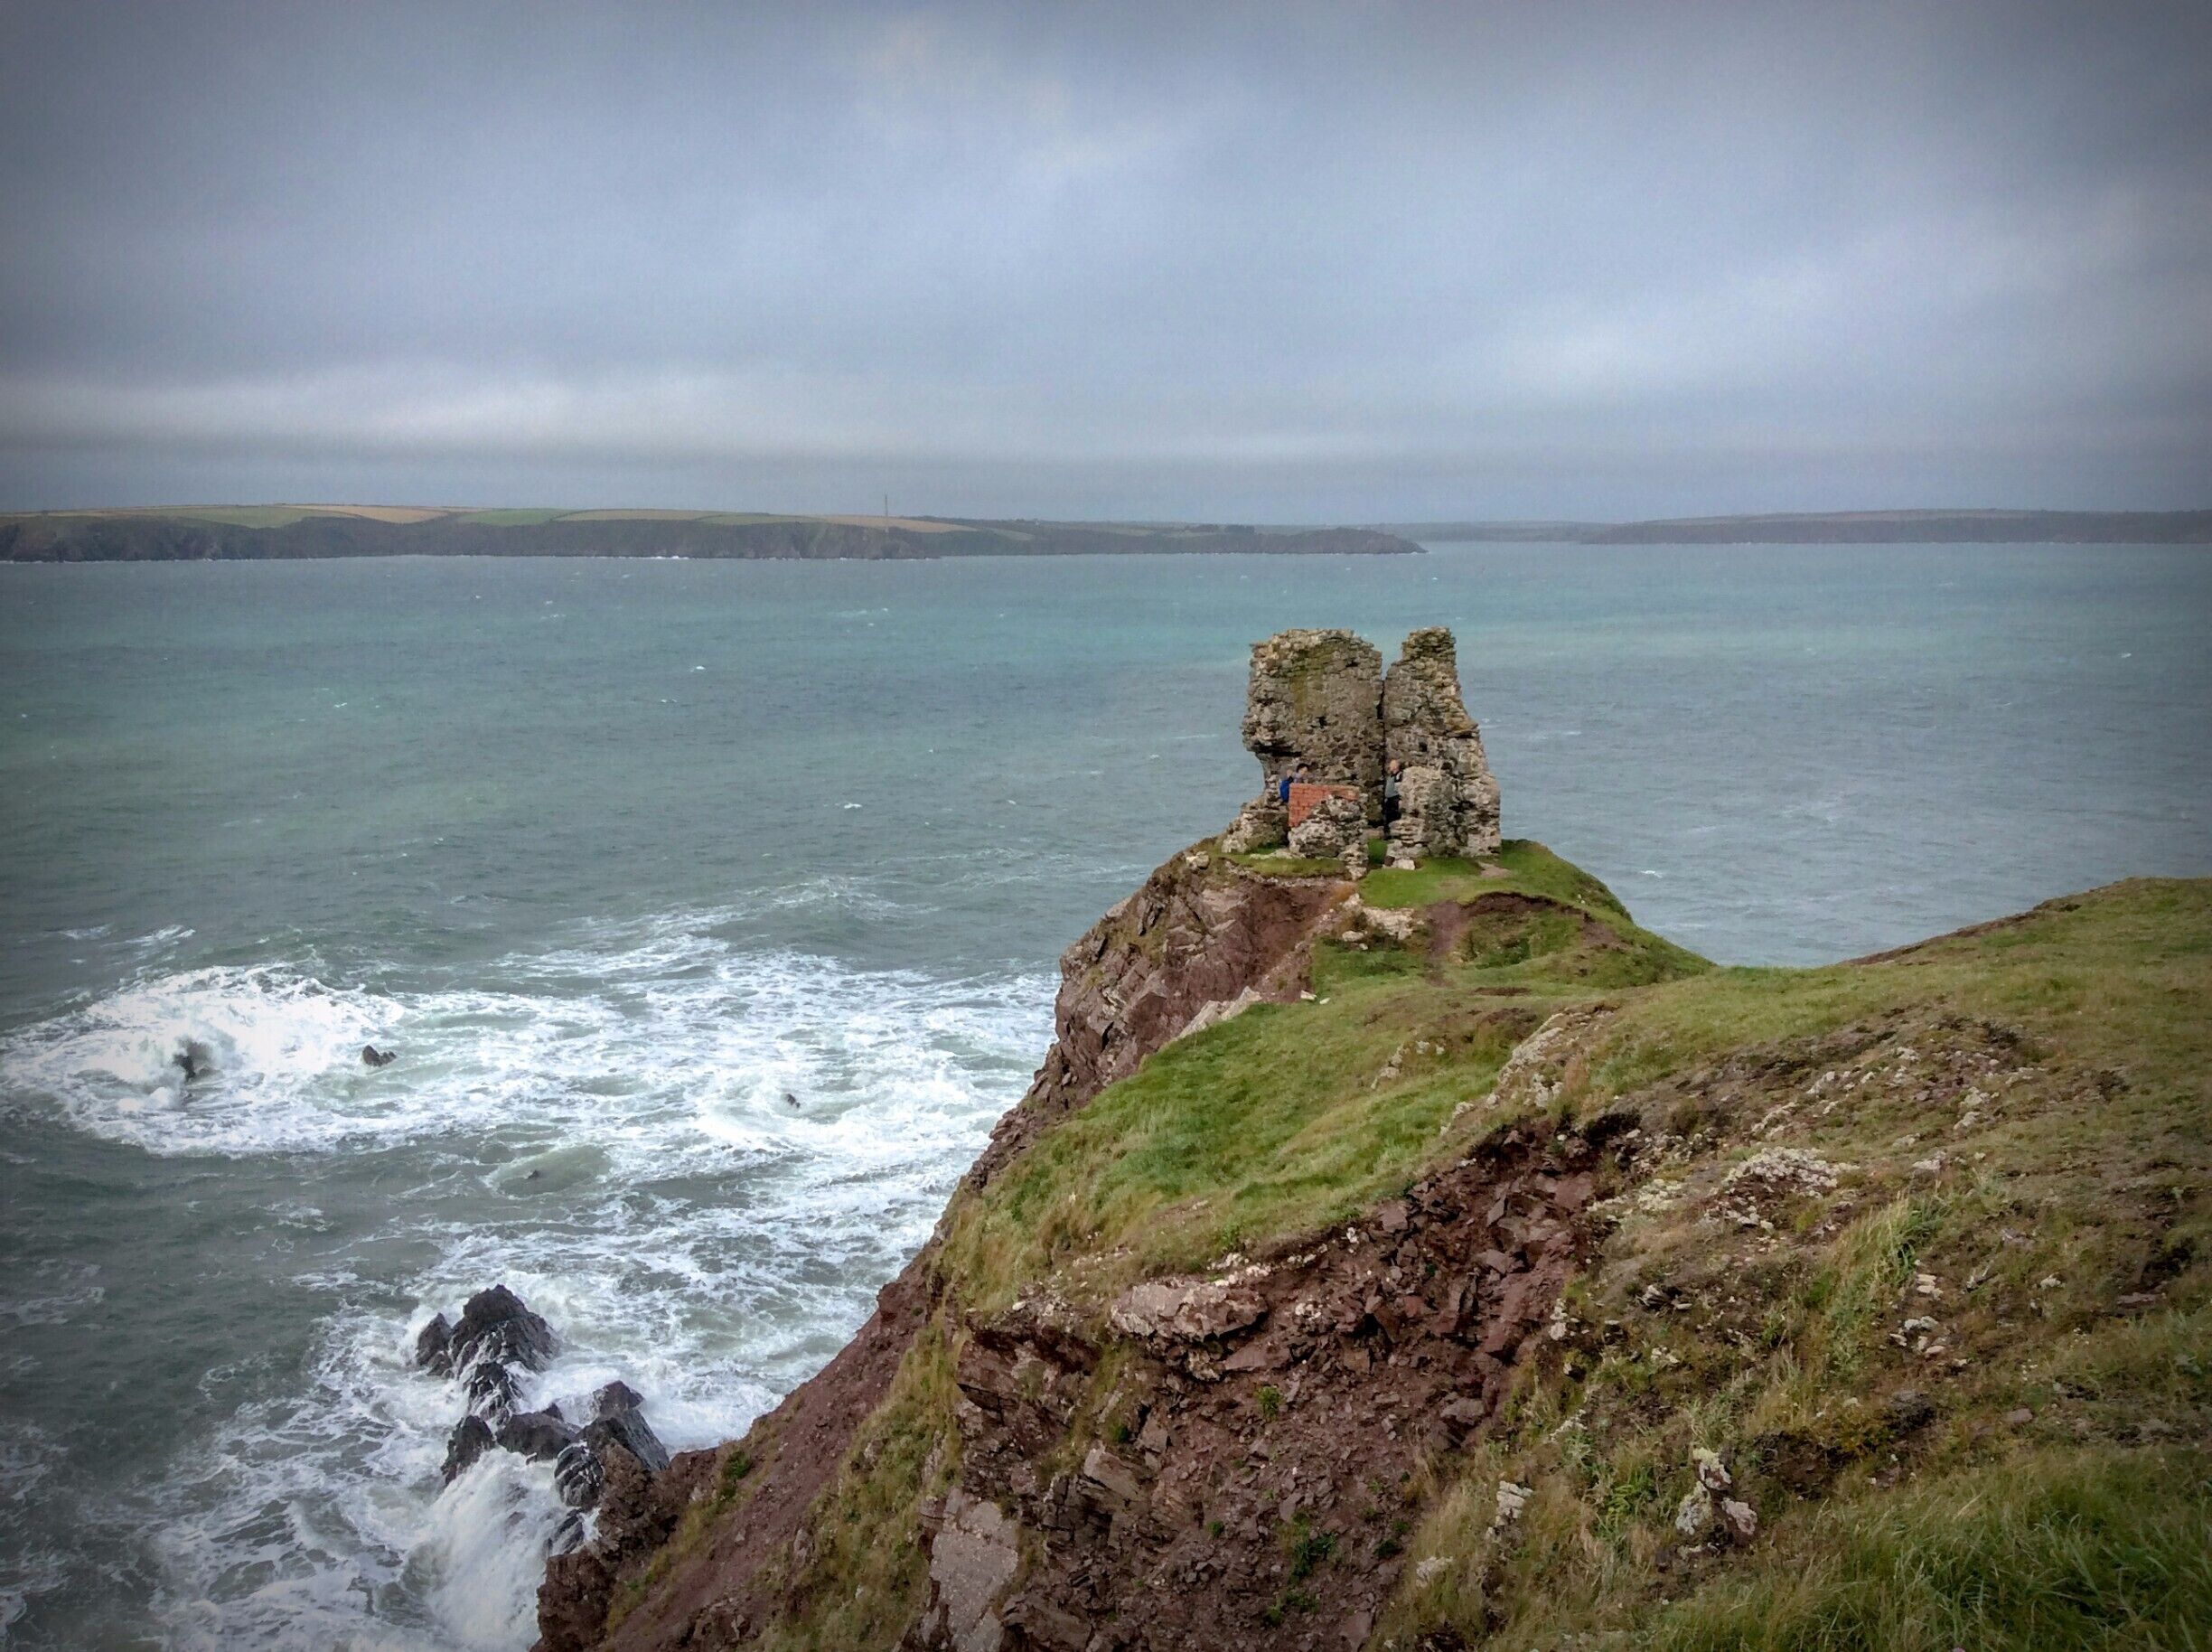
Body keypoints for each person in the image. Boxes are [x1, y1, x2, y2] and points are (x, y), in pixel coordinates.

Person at [1382, 759, 1402, 831]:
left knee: (1394, 816)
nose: (1389, 766)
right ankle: (1387, 833)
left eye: (1391, 765)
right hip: (1389, 799)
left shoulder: (1398, 776)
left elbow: (1399, 789)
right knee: (1388, 817)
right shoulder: (1390, 776)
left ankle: (1394, 832)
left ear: (1395, 766)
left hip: (1395, 799)